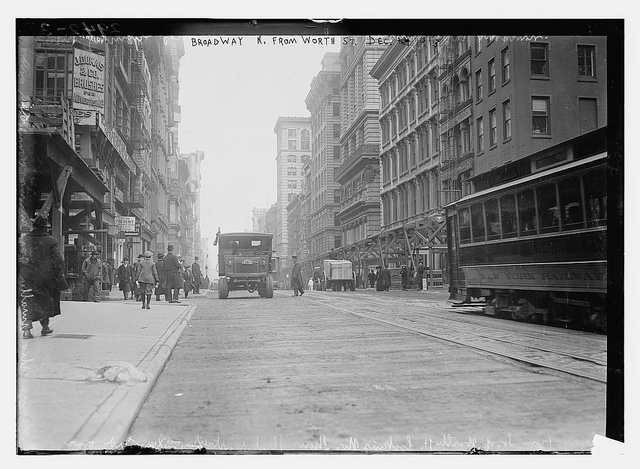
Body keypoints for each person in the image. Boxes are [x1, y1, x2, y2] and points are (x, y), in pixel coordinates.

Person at [18, 214, 66, 339]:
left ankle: (27, 330)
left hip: (26, 277)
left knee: (27, 301)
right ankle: (45, 327)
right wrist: (56, 274)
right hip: (45, 277)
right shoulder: (51, 241)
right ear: (45, 228)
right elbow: (58, 260)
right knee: (46, 301)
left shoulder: (23, 240)